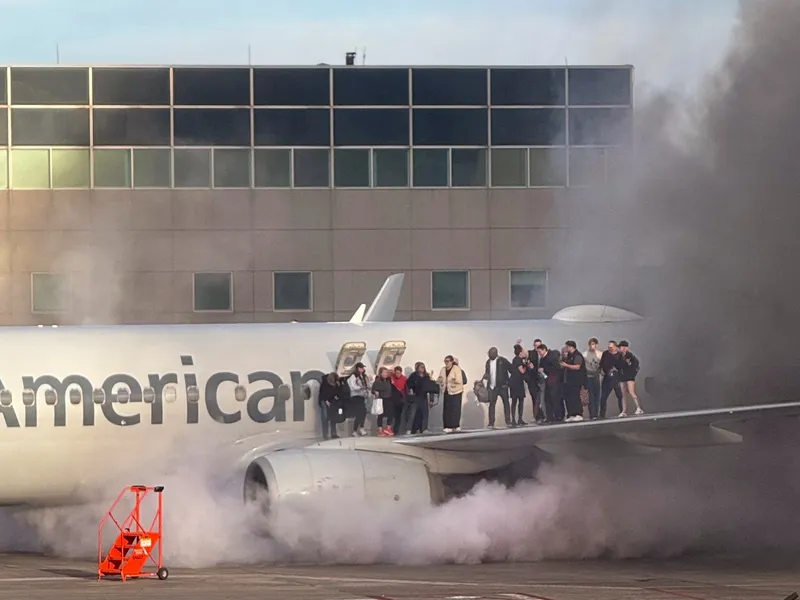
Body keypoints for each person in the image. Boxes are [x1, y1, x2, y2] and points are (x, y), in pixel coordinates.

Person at [482, 347, 512, 428]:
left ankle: (508, 421)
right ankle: (491, 423)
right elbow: (487, 373)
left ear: (495, 353)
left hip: (502, 387)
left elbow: (511, 369)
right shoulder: (488, 362)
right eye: (488, 354)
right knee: (492, 405)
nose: (489, 355)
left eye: (490, 354)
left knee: (506, 403)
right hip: (492, 387)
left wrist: (508, 382)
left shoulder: (503, 360)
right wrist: (485, 378)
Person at [401, 362, 435, 435]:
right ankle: (409, 429)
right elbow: (408, 385)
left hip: (424, 397)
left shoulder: (426, 376)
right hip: (415, 397)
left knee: (424, 414)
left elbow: (430, 388)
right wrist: (410, 391)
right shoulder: (413, 376)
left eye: (423, 367)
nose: (422, 368)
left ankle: (424, 429)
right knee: (412, 414)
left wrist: (431, 400)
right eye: (420, 367)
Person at [560, 340, 587, 422]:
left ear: (571, 347)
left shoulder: (577, 355)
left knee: (575, 397)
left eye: (567, 347)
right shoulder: (569, 356)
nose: (566, 348)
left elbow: (577, 367)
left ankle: (579, 414)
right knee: (569, 398)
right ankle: (572, 414)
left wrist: (566, 365)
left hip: (576, 380)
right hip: (568, 381)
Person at [537, 344, 565, 422]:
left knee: (555, 398)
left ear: (544, 350)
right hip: (547, 380)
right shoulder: (542, 359)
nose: (539, 353)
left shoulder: (552, 356)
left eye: (540, 351)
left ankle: (558, 416)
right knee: (547, 399)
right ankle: (550, 417)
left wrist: (545, 369)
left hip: (554, 380)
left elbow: (557, 368)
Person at [437, 355, 464, 432]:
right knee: (447, 409)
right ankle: (447, 425)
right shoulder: (443, 369)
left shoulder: (457, 369)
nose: (446, 363)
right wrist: (439, 380)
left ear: (452, 362)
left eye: (448, 361)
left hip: (456, 391)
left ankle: (455, 425)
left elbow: (459, 380)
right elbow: (440, 378)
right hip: (446, 391)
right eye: (445, 361)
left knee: (455, 409)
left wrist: (452, 381)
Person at [617, 341, 644, 417]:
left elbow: (636, 365)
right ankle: (624, 411)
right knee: (623, 394)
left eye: (622, 347)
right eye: (620, 347)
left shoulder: (630, 356)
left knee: (631, 391)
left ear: (626, 348)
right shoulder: (619, 356)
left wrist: (632, 373)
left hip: (629, 377)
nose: (621, 348)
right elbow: (618, 366)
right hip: (622, 377)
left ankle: (639, 408)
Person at [599, 340, 624, 419]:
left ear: (615, 347)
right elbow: (602, 364)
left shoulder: (619, 355)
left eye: (611, 347)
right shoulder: (605, 354)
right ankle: (602, 415)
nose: (609, 348)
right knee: (603, 397)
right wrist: (604, 371)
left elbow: (622, 366)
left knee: (620, 396)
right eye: (608, 347)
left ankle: (622, 411)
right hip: (607, 378)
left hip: (616, 378)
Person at [346, 362, 370, 436]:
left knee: (363, 412)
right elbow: (352, 386)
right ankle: (355, 430)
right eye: (361, 368)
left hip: (362, 396)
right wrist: (360, 388)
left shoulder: (363, 376)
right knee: (360, 412)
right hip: (356, 396)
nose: (363, 369)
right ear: (358, 368)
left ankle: (361, 427)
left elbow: (366, 384)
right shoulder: (353, 376)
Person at [371, 367, 394, 436]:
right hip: (381, 399)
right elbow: (373, 390)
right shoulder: (378, 381)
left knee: (391, 413)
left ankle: (388, 428)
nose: (386, 374)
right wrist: (375, 392)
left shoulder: (387, 380)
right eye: (384, 372)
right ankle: (380, 430)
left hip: (388, 398)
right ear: (381, 373)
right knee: (380, 414)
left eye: (386, 372)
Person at [318, 372, 341, 440]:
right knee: (325, 418)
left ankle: (333, 433)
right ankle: (325, 435)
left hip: (332, 401)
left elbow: (337, 393)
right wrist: (326, 401)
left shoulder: (336, 384)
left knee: (333, 417)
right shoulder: (325, 383)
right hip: (324, 401)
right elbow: (322, 394)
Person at [584, 338, 603, 420]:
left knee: (597, 395)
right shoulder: (584, 354)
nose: (593, 346)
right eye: (591, 344)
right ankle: (592, 414)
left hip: (596, 376)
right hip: (588, 377)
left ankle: (596, 412)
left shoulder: (600, 354)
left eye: (594, 344)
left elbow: (602, 366)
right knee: (590, 395)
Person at [509, 344, 528, 426]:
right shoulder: (518, 360)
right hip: (517, 383)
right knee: (518, 401)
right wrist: (526, 366)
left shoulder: (515, 359)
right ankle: (517, 419)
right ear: (520, 353)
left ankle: (515, 419)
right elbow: (522, 371)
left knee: (515, 401)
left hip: (514, 382)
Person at [390, 366, 407, 434]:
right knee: (391, 415)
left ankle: (395, 430)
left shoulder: (404, 379)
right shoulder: (392, 377)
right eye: (396, 373)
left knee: (398, 416)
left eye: (399, 373)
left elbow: (402, 388)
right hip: (392, 398)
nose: (397, 375)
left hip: (400, 398)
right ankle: (389, 428)